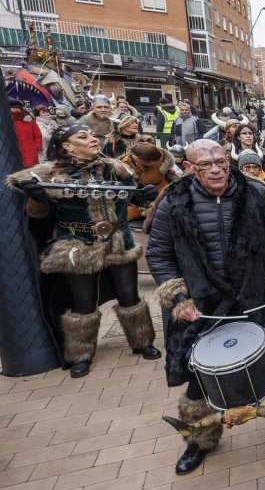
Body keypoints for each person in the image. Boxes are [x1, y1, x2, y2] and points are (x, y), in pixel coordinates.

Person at [148, 139, 265, 475]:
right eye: (205, 165)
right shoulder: (173, 202)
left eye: (221, 160)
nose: (216, 168)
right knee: (199, 375)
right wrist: (179, 299)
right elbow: (159, 256)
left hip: (255, 296)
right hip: (203, 303)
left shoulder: (255, 192)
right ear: (190, 168)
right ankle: (200, 439)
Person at [8, 125, 161, 377]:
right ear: (67, 146)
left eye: (91, 134)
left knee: (129, 294)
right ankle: (81, 354)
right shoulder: (49, 175)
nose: (92, 138)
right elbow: (37, 216)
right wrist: (37, 198)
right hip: (76, 244)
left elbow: (132, 199)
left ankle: (142, 341)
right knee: (83, 301)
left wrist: (143, 196)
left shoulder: (116, 168)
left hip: (117, 239)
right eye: (83, 136)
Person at [10, 101, 41, 167]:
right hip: (14, 157)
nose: (16, 109)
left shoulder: (30, 121)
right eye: (13, 108)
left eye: (18, 108)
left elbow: (38, 136)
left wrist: (36, 147)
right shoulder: (6, 122)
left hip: (32, 154)